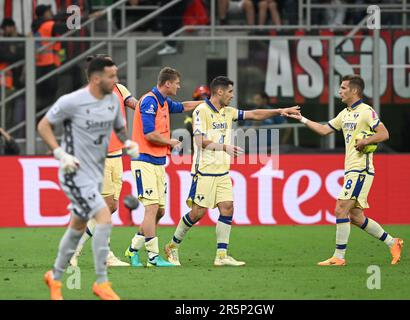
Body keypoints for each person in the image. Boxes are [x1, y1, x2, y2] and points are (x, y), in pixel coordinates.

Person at [164, 76, 300, 266]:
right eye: (229, 92)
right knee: (197, 213)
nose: (232, 95)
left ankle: (221, 256)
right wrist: (224, 147)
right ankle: (172, 245)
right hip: (204, 170)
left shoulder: (228, 112)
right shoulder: (201, 111)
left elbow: (254, 114)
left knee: (227, 207)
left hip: (222, 171)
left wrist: (280, 111)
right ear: (219, 92)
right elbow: (199, 141)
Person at [37, 57, 139, 300]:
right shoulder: (71, 101)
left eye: (117, 76)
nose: (116, 81)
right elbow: (43, 126)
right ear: (95, 78)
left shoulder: (113, 101)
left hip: (96, 169)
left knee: (77, 227)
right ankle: (101, 282)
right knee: (104, 215)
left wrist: (127, 142)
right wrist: (60, 154)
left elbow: (118, 127)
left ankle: (55, 276)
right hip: (75, 171)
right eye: (111, 76)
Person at [287, 74, 404, 266]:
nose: (339, 91)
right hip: (351, 169)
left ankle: (338, 258)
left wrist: (366, 141)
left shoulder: (366, 111)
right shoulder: (345, 113)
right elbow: (324, 130)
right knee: (356, 217)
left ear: (354, 90)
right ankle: (393, 242)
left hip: (361, 169)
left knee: (340, 209)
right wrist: (301, 119)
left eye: (343, 88)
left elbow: (384, 133)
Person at [124, 67, 203, 267]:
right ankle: (152, 257)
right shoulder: (150, 101)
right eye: (176, 83)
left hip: (158, 162)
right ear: (167, 83)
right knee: (151, 209)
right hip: (145, 160)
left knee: (159, 212)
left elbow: (183, 106)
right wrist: (170, 141)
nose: (178, 86)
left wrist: (208, 104)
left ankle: (133, 249)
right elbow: (150, 134)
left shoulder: (163, 101)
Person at [69, 54, 139, 267]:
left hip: (117, 155)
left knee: (112, 206)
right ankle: (104, 255)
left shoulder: (120, 89)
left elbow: (135, 104)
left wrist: (152, 103)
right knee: (105, 206)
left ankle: (76, 248)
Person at [32, 4, 65, 114]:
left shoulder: (38, 26)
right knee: (49, 100)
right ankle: (45, 124)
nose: (51, 12)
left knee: (42, 100)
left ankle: (39, 124)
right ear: (43, 14)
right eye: (48, 11)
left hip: (39, 66)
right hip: (48, 65)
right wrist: (79, 17)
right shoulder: (48, 25)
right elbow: (69, 27)